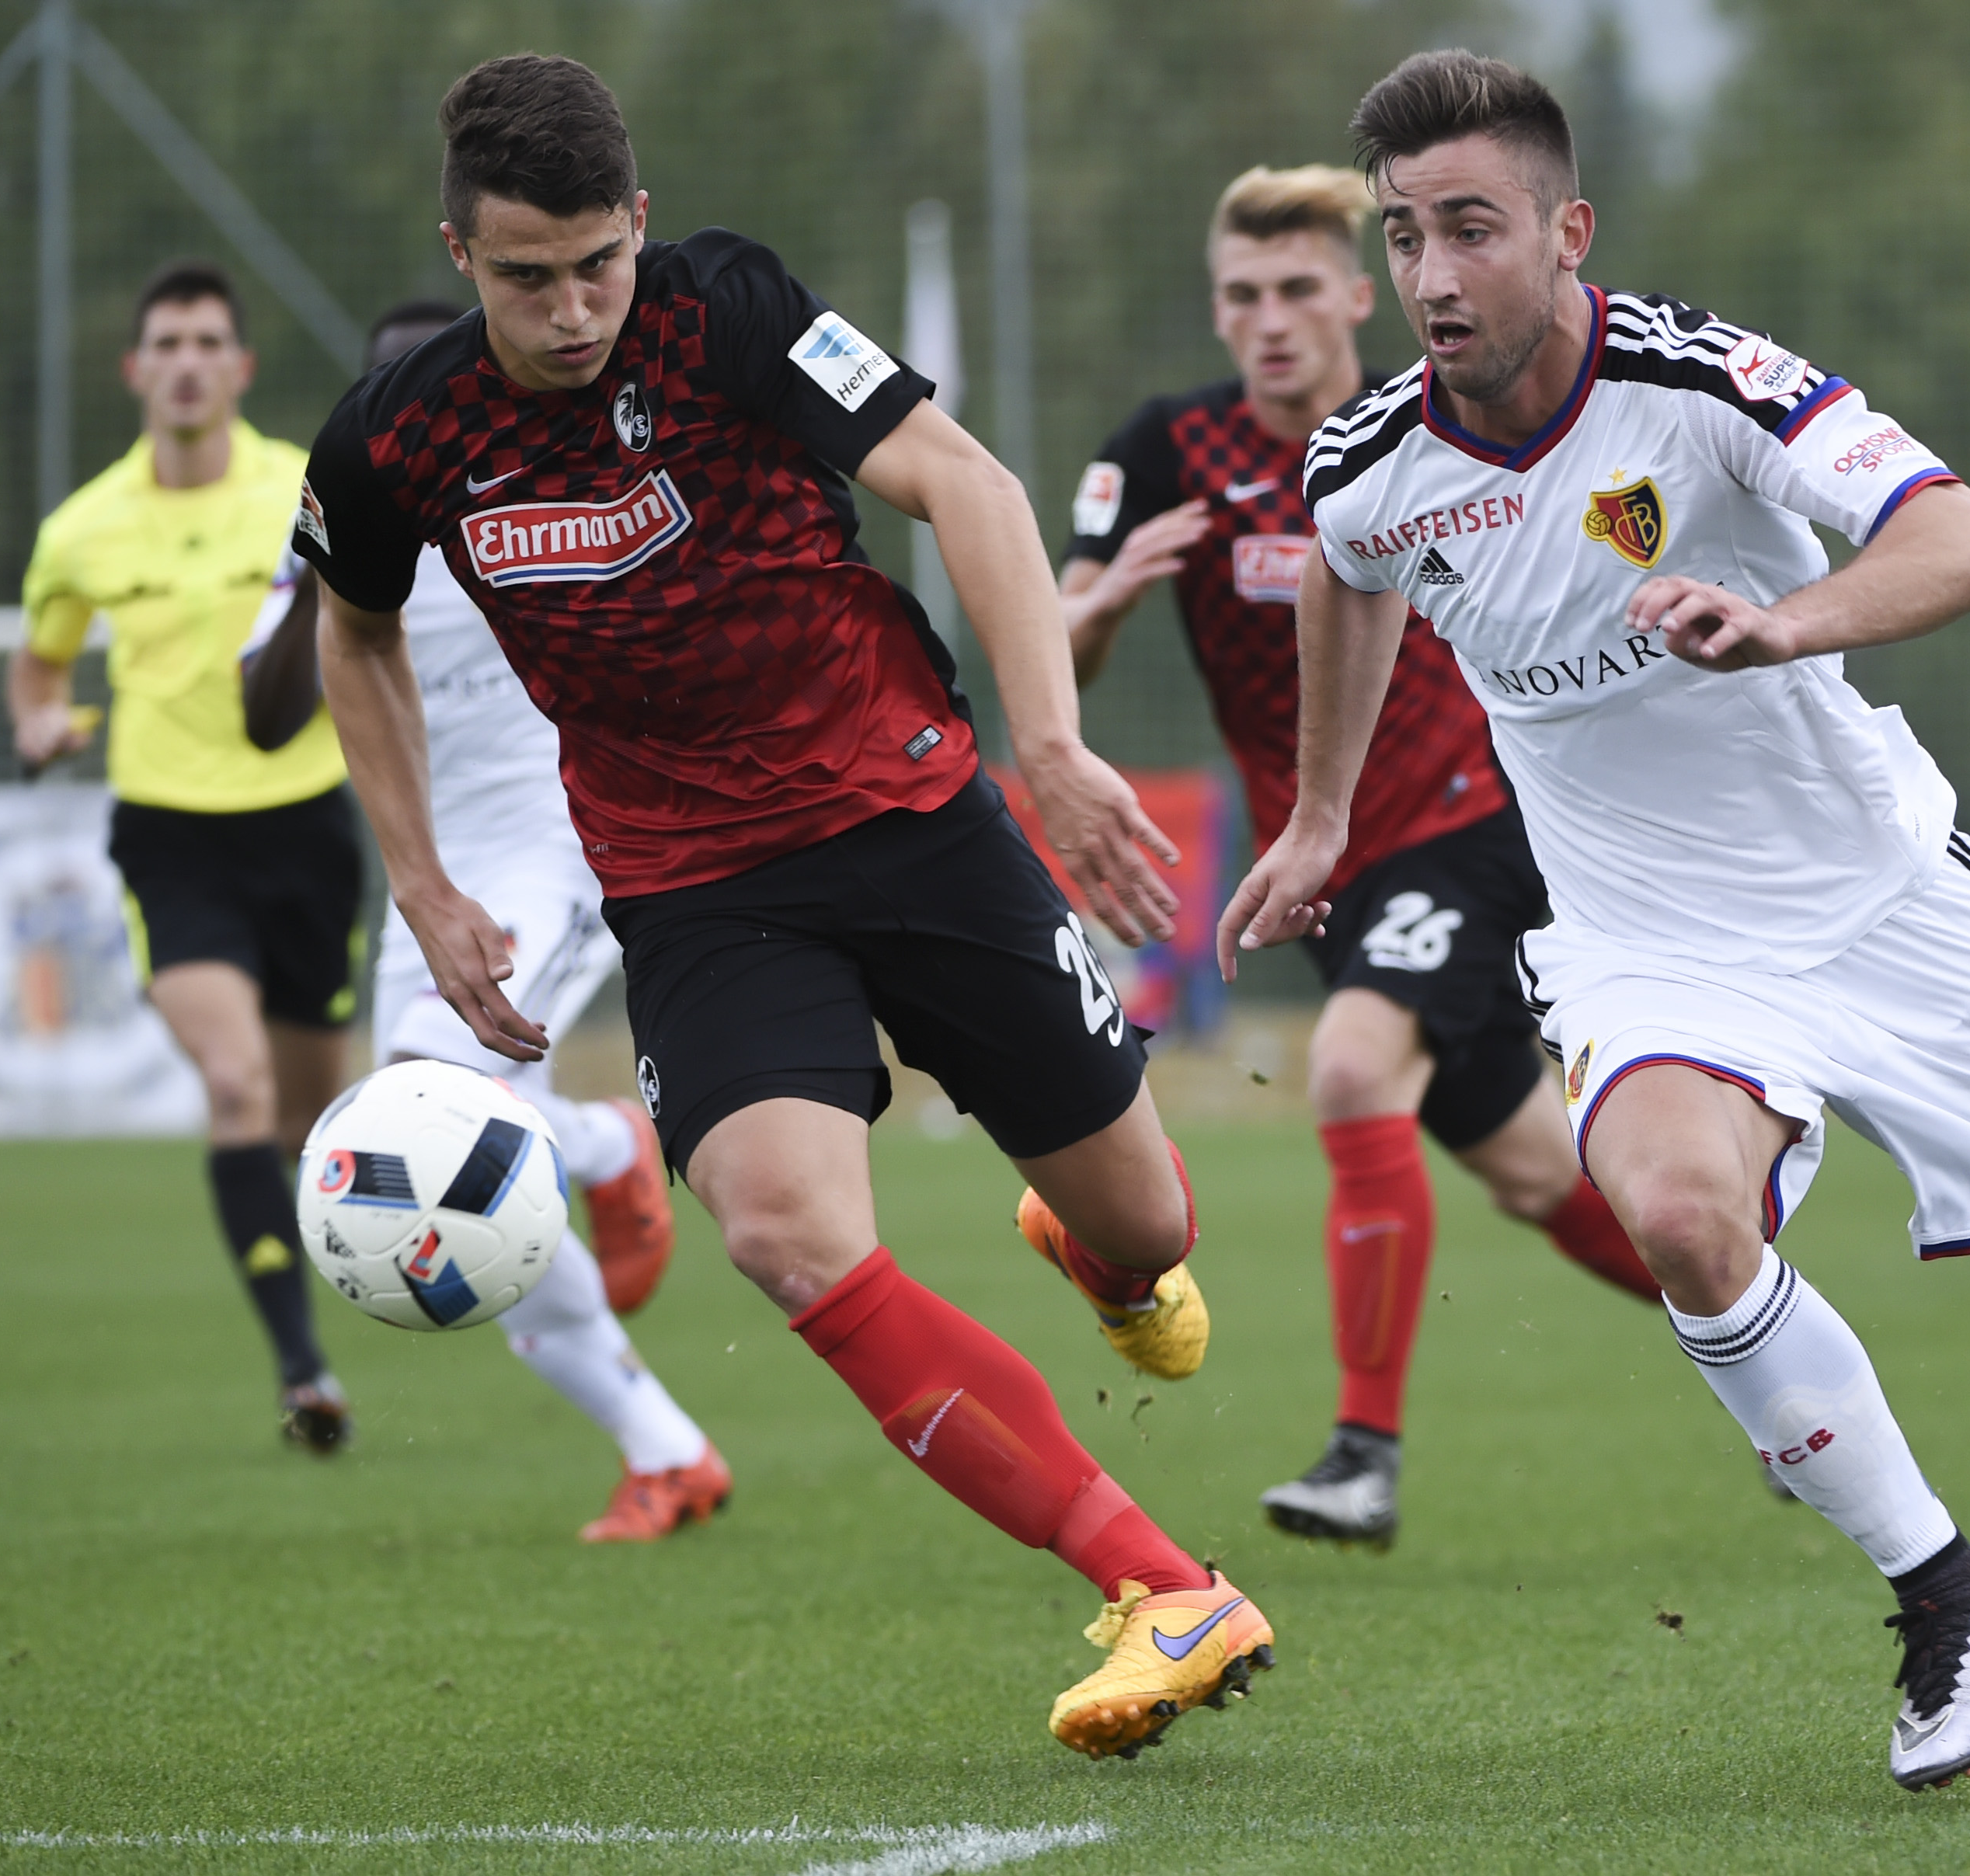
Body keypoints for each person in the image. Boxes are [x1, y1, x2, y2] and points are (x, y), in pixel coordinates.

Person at [1225, 50, 1970, 1789]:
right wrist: (1323, 814)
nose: (1431, 274)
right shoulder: (1373, 461)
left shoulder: (1704, 380)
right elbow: (1347, 579)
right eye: (1406, 235)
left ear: (1569, 233)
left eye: (1472, 228)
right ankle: (1947, 1593)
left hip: (1882, 905)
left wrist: (1786, 622)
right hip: (1650, 943)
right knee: (1676, 1211)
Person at [293, 55, 1272, 1758]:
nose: (574, 310)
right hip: (696, 891)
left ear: (641, 222)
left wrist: (1049, 748)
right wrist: (422, 881)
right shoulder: (398, 433)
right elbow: (354, 631)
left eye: (598, 263)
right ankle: (1161, 1584)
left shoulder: (726, 309)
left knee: (1149, 1224)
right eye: (528, 277)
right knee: (782, 1230)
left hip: (915, 821)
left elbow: (968, 484)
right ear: (459, 253)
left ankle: (1101, 1252)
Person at [1060, 164, 1661, 1550]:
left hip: (1472, 821)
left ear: (1351, 297)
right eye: (1241, 296)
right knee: (1535, 1173)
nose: (1268, 321)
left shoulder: (1428, 426)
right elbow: (1059, 651)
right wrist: (1104, 601)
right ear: (1219, 311)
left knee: (1346, 1066)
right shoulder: (1165, 449)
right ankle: (1769, 1329)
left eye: (1295, 291)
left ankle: (1362, 1458)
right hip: (1327, 868)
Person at [239, 300, 721, 1540]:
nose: (421, 414)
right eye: (389, 396)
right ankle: (665, 1438)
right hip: (427, 882)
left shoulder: (539, 485)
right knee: (472, 1180)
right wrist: (319, 568)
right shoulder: (339, 517)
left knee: (430, 1128)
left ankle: (608, 1167)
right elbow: (264, 716)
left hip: (557, 849)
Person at [12, 260, 359, 1454]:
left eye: (210, 341)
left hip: (306, 825)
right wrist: (38, 722)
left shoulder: (302, 489)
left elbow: (373, 622)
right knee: (236, 1086)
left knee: (309, 1123)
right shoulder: (83, 529)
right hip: (170, 835)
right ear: (135, 370)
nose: (189, 363)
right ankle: (304, 1372)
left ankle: (372, 1275)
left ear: (242, 366)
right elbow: (40, 662)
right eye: (167, 343)